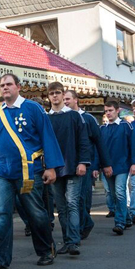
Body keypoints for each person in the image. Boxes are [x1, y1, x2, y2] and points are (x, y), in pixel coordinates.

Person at [0, 73, 64, 269]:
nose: (5, 88)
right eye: (2, 85)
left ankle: (45, 250)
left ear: (18, 86)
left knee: (35, 212)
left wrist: (51, 167)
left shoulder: (33, 108)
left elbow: (47, 136)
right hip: (1, 171)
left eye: (9, 84)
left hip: (28, 170)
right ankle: (0, 260)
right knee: (2, 214)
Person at [44, 82, 91, 256]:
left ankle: (73, 241)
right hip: (54, 169)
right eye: (51, 93)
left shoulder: (74, 116)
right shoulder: (46, 118)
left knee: (72, 204)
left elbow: (83, 140)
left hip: (73, 165)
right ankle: (67, 240)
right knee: (61, 207)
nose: (54, 96)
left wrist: (83, 162)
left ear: (63, 95)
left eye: (57, 93)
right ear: (48, 96)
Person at [66, 90, 109, 240]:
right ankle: (79, 226)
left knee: (81, 197)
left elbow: (98, 142)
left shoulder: (88, 119)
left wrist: (102, 164)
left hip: (85, 164)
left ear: (76, 100)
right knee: (71, 200)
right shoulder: (63, 117)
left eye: (68, 99)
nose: (65, 102)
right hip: (67, 165)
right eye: (63, 99)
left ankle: (84, 224)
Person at [100, 101, 135, 235]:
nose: (108, 113)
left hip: (122, 165)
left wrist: (134, 163)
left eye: (110, 110)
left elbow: (133, 145)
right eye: (106, 111)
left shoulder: (125, 126)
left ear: (117, 110)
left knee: (120, 192)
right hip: (107, 167)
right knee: (113, 195)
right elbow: (100, 149)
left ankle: (119, 222)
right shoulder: (103, 129)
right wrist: (98, 166)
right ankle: (127, 218)